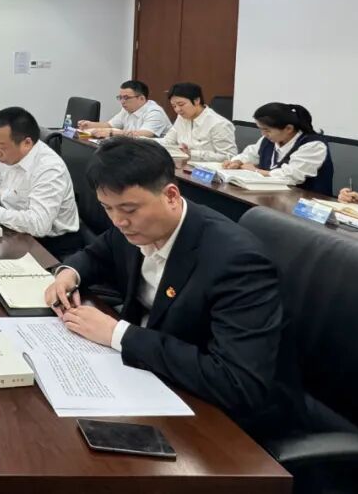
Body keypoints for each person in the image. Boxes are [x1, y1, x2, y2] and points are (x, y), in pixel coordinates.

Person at [43, 138, 303, 441]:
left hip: (223, 419)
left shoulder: (237, 262)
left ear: (170, 196)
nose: (118, 221)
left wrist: (118, 334)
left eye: (128, 209)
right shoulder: (135, 225)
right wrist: (67, 274)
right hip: (153, 375)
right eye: (107, 208)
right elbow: (97, 254)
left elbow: (237, 382)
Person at [0, 107, 83, 260]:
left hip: (50, 246)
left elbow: (38, 224)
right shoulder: (12, 155)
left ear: (26, 143)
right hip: (17, 232)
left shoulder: (49, 169)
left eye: (1, 146)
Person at [222, 103, 334, 194]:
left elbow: (292, 176)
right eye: (261, 129)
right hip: (271, 195)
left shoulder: (313, 145)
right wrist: (237, 161)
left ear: (288, 128)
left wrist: (256, 171)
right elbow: (250, 154)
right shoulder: (269, 139)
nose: (263, 134)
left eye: (267, 130)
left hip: (305, 201)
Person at [159, 82, 236, 161]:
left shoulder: (219, 124)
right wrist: (151, 144)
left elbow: (229, 157)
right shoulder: (181, 117)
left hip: (206, 167)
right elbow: (168, 141)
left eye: (181, 104)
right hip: (184, 164)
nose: (177, 110)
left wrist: (192, 154)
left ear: (196, 100)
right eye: (174, 106)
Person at [78, 80, 171, 138]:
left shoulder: (155, 112)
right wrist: (90, 125)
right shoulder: (127, 109)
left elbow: (145, 134)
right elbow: (110, 125)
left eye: (126, 98)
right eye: (120, 97)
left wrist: (112, 133)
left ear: (141, 98)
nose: (122, 102)